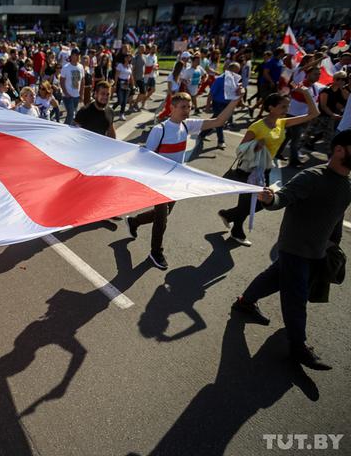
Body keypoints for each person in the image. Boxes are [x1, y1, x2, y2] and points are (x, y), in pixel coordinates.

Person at [232, 130, 351, 371]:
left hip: (317, 250)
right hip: (295, 247)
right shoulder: (312, 177)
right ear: (339, 150)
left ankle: (245, 302)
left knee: (275, 277)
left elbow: (337, 217)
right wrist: (269, 199)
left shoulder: (347, 185)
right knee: (296, 298)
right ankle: (298, 346)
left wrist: (333, 244)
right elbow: (282, 198)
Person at [126, 92, 240, 270]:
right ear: (172, 108)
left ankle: (134, 222)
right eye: (183, 107)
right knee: (162, 218)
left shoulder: (187, 125)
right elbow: (146, 158)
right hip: (160, 182)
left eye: (189, 107)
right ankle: (156, 252)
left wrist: (235, 100)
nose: (187, 110)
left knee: (165, 214)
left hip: (176, 180)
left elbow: (218, 121)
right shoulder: (160, 130)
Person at [218, 90, 320, 246]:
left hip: (265, 169)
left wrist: (306, 93)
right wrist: (255, 146)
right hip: (249, 171)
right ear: (271, 107)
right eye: (283, 106)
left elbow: (313, 114)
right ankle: (236, 231)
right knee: (252, 203)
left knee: (260, 202)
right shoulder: (257, 126)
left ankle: (228, 214)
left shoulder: (282, 122)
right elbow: (240, 149)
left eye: (287, 106)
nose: (287, 109)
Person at [277, 66, 325, 167]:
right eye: (315, 74)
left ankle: (278, 152)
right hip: (295, 116)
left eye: (319, 74)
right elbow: (305, 99)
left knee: (289, 136)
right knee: (296, 139)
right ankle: (294, 161)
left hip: (304, 117)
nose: (318, 76)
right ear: (308, 74)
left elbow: (314, 102)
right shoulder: (300, 85)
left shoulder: (315, 87)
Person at [195, 61, 243, 154]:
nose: (237, 73)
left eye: (238, 71)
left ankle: (202, 133)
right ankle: (221, 141)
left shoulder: (235, 80)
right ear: (229, 70)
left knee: (216, 120)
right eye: (235, 71)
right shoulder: (220, 80)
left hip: (227, 104)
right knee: (219, 121)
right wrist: (208, 106)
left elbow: (235, 92)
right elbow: (211, 93)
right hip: (218, 103)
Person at [60, 48, 84, 125]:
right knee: (71, 113)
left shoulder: (81, 67)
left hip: (76, 95)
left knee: (73, 114)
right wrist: (65, 93)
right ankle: (64, 129)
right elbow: (61, 81)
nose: (78, 56)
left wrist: (81, 94)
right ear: (72, 56)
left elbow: (82, 81)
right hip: (67, 96)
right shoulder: (66, 67)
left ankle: (69, 127)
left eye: (79, 55)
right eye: (76, 55)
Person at [113, 53, 134, 121]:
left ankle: (122, 114)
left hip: (127, 84)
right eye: (127, 57)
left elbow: (131, 76)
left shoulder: (130, 66)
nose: (128, 58)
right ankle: (111, 109)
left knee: (125, 101)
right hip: (120, 83)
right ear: (124, 58)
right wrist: (115, 85)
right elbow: (116, 75)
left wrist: (133, 85)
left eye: (129, 57)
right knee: (120, 100)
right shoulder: (120, 65)